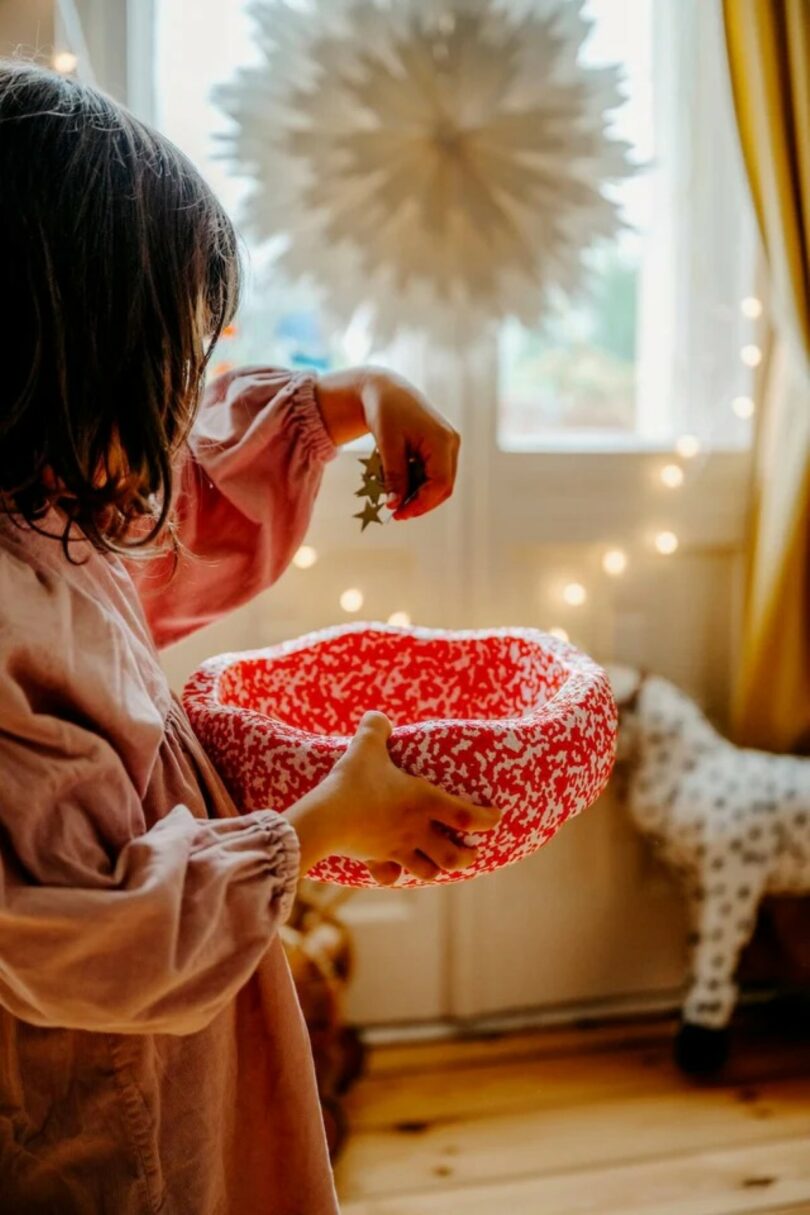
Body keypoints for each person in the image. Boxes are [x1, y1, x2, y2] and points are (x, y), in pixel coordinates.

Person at [0, 61, 501, 1214]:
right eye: (168, 360)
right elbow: (82, 943)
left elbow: (178, 500)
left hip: (163, 1072)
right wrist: (319, 825)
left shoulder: (52, 508)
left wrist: (346, 396)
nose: (185, 398)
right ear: (59, 354)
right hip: (92, 1131)